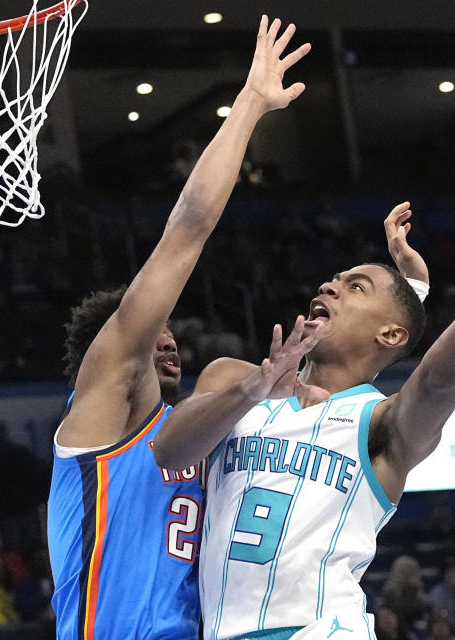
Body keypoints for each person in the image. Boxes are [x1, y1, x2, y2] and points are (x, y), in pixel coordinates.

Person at [154, 126, 455, 638]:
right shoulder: (233, 380)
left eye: (354, 286)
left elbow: (442, 377)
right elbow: (169, 450)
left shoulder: (379, 426)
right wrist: (256, 387)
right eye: (333, 281)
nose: (328, 285)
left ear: (390, 333)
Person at [45, 15, 312, 639]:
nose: (169, 340)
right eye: (154, 333)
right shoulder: (99, 415)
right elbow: (186, 230)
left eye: (172, 335)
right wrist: (248, 103)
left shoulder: (197, 425)